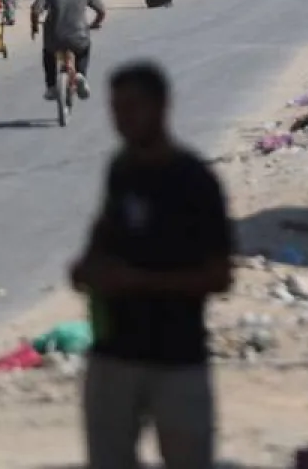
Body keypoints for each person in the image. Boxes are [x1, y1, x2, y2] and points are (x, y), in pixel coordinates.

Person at [71, 64, 235, 469]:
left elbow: (219, 276)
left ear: (162, 107)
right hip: (114, 353)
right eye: (116, 109)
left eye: (132, 107)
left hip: (177, 355)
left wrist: (139, 282)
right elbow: (103, 235)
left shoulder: (195, 181)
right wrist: (88, 269)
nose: (122, 119)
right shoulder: (121, 171)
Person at [31, 0, 107, 102]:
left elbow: (35, 11)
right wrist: (95, 24)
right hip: (79, 36)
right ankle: (81, 74)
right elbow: (101, 11)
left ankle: (52, 86)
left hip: (54, 37)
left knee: (48, 55)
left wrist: (34, 27)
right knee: (84, 49)